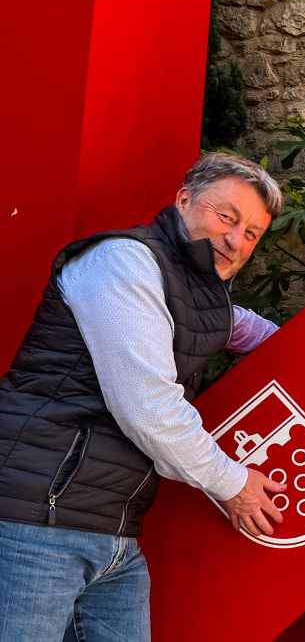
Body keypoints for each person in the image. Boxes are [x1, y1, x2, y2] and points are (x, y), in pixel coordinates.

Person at [0, 153, 288, 642]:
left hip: (115, 535)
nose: (236, 240)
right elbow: (148, 408)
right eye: (227, 217)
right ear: (183, 200)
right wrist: (232, 483)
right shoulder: (123, 262)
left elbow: (249, 330)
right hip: (37, 523)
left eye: (253, 233)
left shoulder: (197, 293)